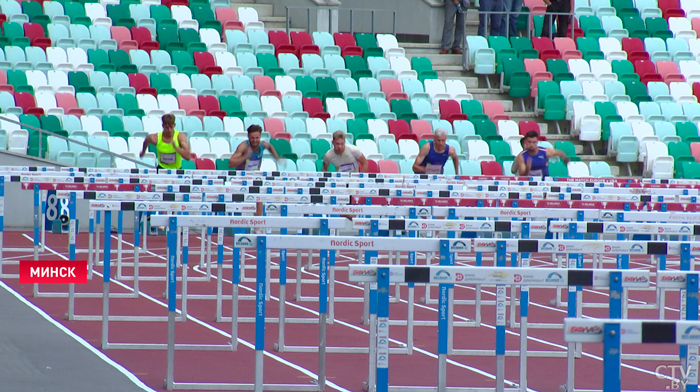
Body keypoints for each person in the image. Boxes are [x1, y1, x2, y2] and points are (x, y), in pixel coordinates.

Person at [228, 125, 281, 231]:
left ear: (260, 136)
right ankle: (236, 225)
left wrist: (277, 158)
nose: (255, 140)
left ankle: (257, 227)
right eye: (252, 138)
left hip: (254, 177)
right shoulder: (243, 147)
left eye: (257, 138)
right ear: (248, 136)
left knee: (259, 197)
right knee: (239, 201)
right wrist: (245, 156)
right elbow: (230, 163)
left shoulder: (263, 145)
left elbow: (270, 147)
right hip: (241, 178)